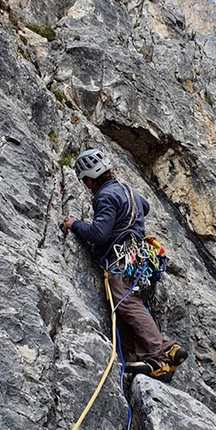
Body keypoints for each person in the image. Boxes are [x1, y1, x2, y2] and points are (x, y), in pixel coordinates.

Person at [62, 148, 187, 383]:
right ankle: (169, 350)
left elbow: (98, 234)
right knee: (123, 314)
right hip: (139, 261)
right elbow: (146, 207)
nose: (87, 186)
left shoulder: (105, 196)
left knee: (127, 303)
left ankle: (157, 357)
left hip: (122, 260)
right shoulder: (128, 191)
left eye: (86, 181)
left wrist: (74, 223)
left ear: (89, 179)